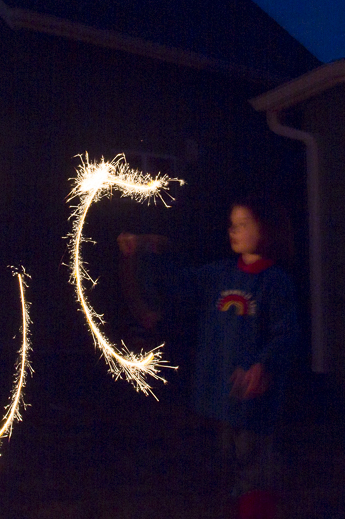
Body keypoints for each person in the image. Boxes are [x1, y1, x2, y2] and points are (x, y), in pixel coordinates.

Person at [119, 195, 299, 519]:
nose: (233, 230)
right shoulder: (218, 274)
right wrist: (143, 253)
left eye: (243, 225)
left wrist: (263, 365)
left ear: (267, 230)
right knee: (226, 466)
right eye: (232, 224)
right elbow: (175, 284)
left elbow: (285, 334)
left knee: (255, 466)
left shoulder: (275, 283)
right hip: (218, 397)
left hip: (254, 400)